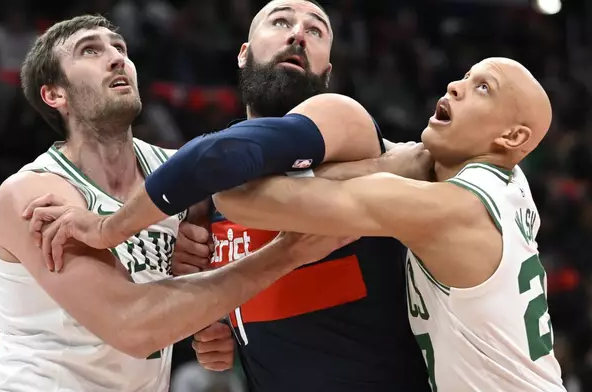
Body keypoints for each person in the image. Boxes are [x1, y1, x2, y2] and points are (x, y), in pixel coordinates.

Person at [0, 14, 356, 392]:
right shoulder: (34, 195)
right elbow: (130, 324)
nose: (116, 58)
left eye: (119, 48)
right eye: (90, 51)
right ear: (55, 95)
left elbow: (212, 278)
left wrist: (217, 324)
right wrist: (289, 251)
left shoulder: (175, 175)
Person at [211, 57, 567, 391]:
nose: (455, 87)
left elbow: (238, 197)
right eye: (466, 77)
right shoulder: (509, 180)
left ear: (513, 138)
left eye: (483, 88)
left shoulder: (447, 208)